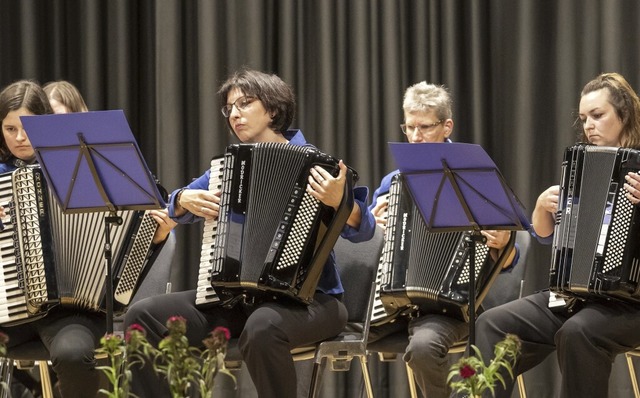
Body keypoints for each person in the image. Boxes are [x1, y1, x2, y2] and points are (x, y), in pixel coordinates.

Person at [123, 68, 376, 398]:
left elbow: (364, 229)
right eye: (229, 108)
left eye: (244, 104)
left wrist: (343, 204)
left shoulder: (316, 164)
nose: (234, 115)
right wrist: (182, 199)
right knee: (143, 316)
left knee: (262, 329)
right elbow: (176, 205)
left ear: (272, 109)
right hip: (237, 300)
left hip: (312, 303)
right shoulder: (228, 168)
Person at [0, 79, 176, 397]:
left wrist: (156, 233)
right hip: (10, 308)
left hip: (74, 311)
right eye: (10, 129)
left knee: (71, 353)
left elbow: (139, 224)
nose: (20, 137)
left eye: (27, 127)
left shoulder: (86, 168)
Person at [472, 72, 640, 398]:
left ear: (624, 115)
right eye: (583, 118)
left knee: (577, 333)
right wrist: (540, 209)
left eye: (597, 115)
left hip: (630, 305)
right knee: (492, 323)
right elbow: (551, 238)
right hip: (577, 295)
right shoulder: (581, 162)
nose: (588, 125)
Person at [367, 81, 518, 398]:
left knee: (422, 349)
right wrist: (374, 223)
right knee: (335, 332)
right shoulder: (394, 182)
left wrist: (503, 241)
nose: (415, 137)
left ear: (447, 125)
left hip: (451, 306)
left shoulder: (474, 176)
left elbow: (508, 259)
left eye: (425, 127)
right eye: (409, 127)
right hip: (395, 302)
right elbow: (368, 239)